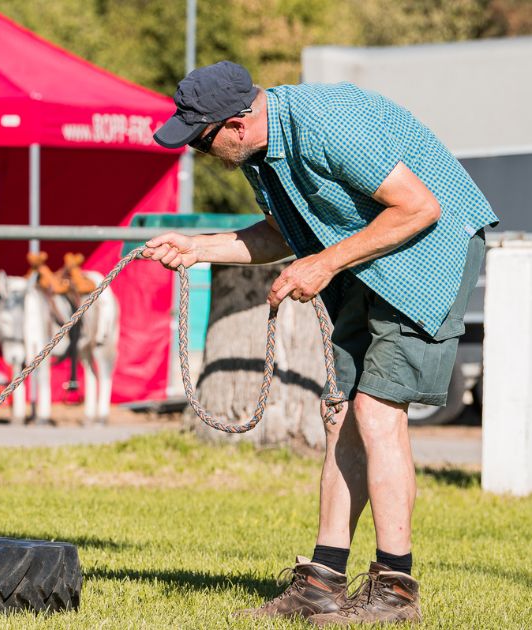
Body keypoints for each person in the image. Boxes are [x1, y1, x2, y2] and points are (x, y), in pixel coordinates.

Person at [144, 61, 497, 626]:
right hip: (369, 258)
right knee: (341, 416)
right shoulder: (262, 154)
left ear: (236, 123)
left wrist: (325, 264)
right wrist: (196, 247)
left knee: (377, 412)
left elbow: (420, 207)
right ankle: (322, 583)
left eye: (202, 140)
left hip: (428, 252)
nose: (199, 151)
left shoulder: (327, 122)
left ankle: (395, 591)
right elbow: (280, 235)